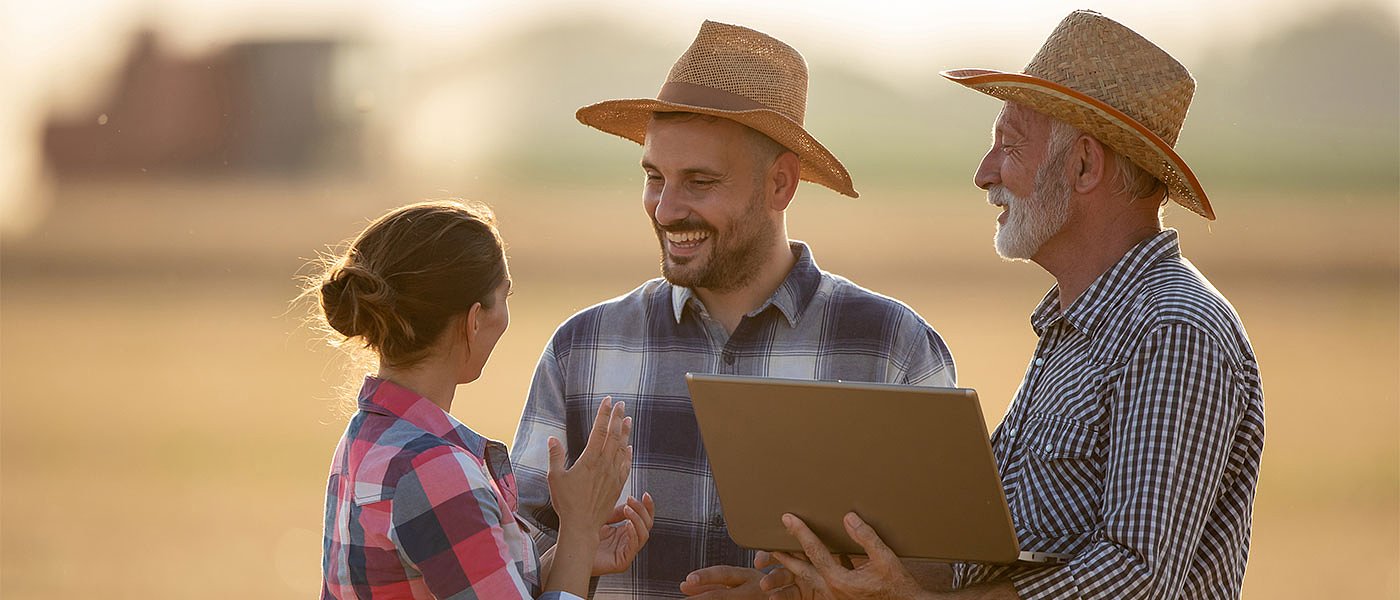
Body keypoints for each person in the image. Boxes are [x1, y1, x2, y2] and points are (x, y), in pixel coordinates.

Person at [756, 11, 1266, 600]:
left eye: (1009, 147)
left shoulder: (1175, 330)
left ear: (1082, 165)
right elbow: (991, 561)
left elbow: (1135, 577)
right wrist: (814, 586)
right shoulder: (1076, 327)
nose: (983, 173)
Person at [509, 20, 957, 600]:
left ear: (780, 185)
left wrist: (802, 593)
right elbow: (510, 567)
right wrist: (573, 553)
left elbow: (953, 574)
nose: (666, 209)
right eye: (654, 178)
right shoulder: (581, 349)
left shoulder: (894, 347)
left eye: (699, 181)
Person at [313, 200, 656, 599]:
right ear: (474, 319)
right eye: (505, 295)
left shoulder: (366, 441)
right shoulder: (436, 471)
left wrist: (569, 557)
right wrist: (578, 529)